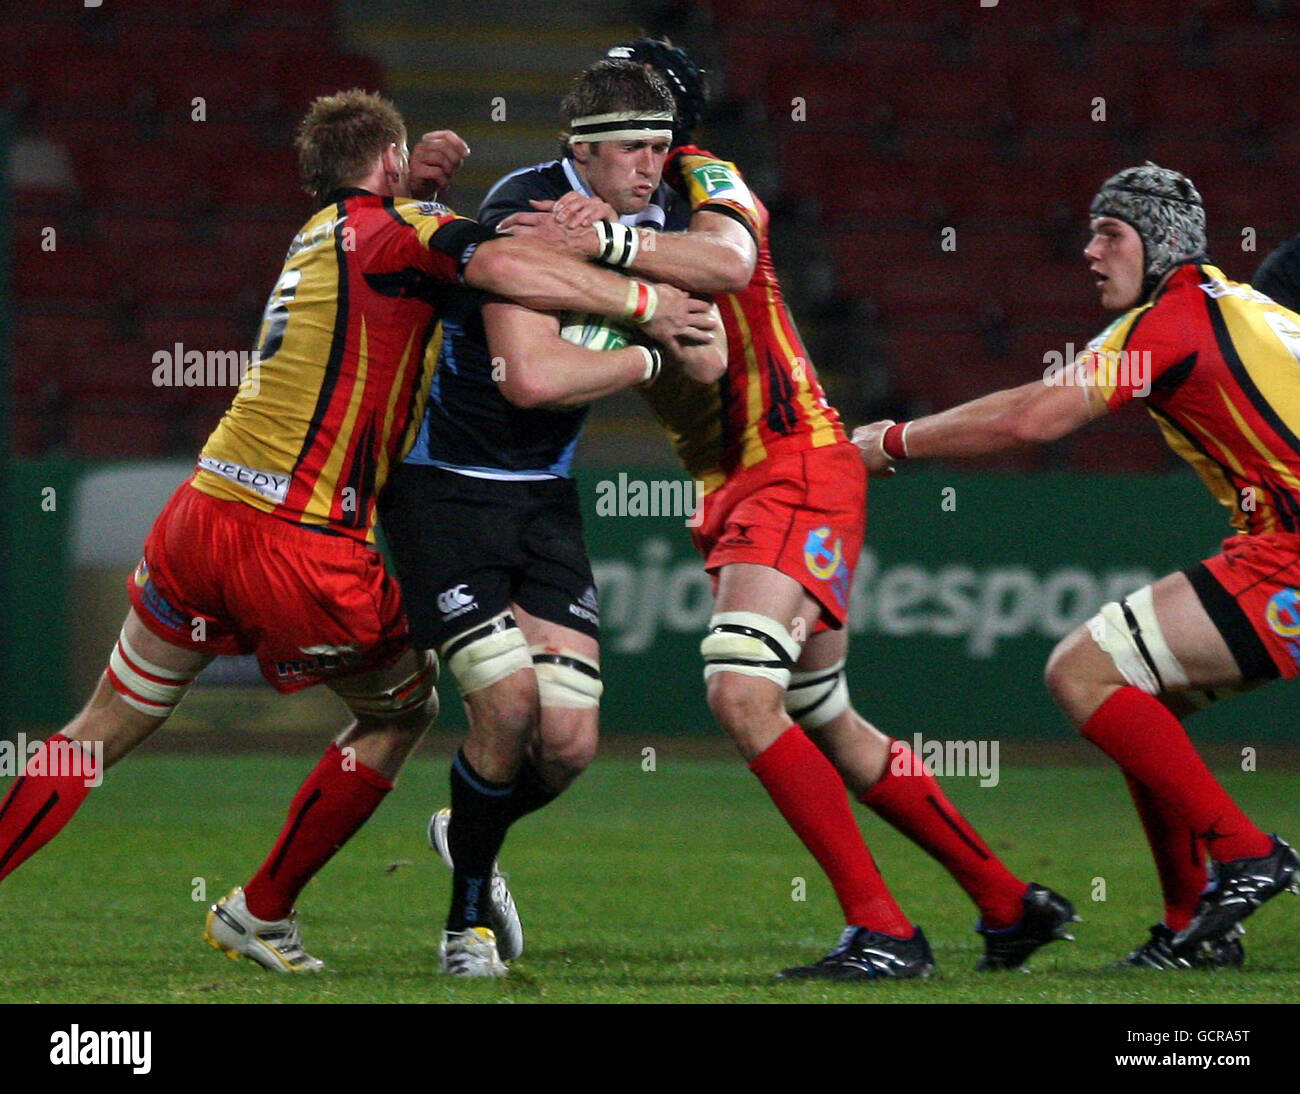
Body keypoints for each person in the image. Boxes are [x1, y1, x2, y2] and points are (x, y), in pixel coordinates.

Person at [0, 89, 712, 974]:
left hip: (201, 511)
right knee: (403, 707)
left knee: (99, 725)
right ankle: (261, 911)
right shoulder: (396, 231)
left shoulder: (317, 234)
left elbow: (383, 234)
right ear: (385, 167)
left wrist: (415, 185)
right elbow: (499, 268)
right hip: (298, 536)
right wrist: (645, 306)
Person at [464, 38, 1076, 980]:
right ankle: (1004, 902)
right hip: (747, 478)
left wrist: (604, 244)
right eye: (623, 137)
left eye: (650, 129)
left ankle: (884, 929)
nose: (645, 154)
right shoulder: (619, 199)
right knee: (823, 708)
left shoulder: (706, 178)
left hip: (788, 463)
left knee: (738, 690)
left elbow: (733, 263)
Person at [854, 163, 1300, 969]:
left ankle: (1247, 853)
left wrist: (893, 442)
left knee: (1080, 672)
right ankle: (1193, 922)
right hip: (1279, 548)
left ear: (1159, 244)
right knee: (1141, 690)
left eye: (1111, 233)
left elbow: (1034, 418)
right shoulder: (1253, 309)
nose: (1091, 251)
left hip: (1292, 556)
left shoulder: (1171, 322)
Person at [382, 60, 724, 977]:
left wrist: (630, 266)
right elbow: (530, 381)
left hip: (542, 500)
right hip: (445, 488)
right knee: (508, 704)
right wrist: (650, 343)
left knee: (568, 744)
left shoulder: (649, 225)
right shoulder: (523, 210)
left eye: (660, 146)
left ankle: (470, 832)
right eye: (631, 149)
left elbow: (713, 359)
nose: (652, 166)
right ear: (581, 149)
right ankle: (465, 930)